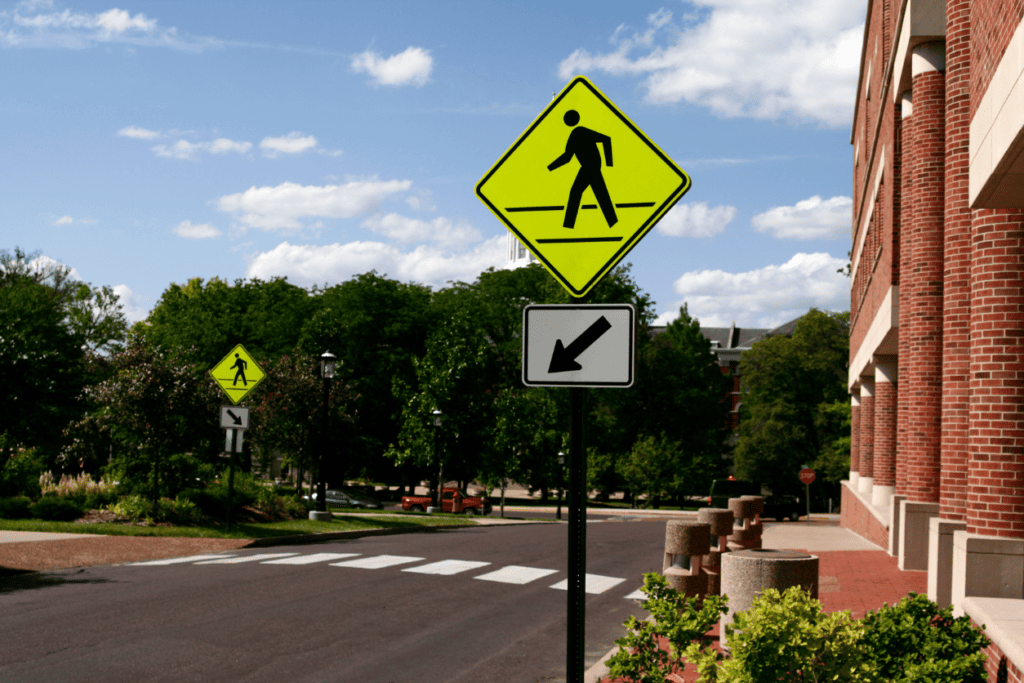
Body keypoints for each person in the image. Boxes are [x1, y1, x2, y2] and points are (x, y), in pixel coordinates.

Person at [547, 109, 618, 229]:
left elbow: (606, 139)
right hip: (589, 167)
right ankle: (613, 223)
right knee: (601, 195)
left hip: (590, 167)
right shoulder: (575, 134)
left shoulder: (580, 131)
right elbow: (567, 157)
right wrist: (550, 168)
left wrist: (609, 164)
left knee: (576, 192)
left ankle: (568, 225)